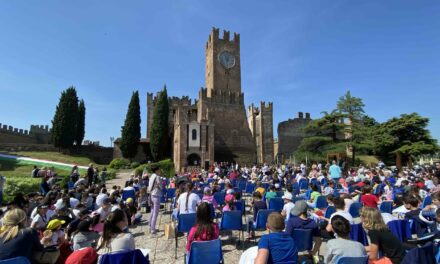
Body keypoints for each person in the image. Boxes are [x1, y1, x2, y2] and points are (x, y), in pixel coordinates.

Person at [148, 166, 163, 234]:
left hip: (151, 194)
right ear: (156, 170)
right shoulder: (157, 177)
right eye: (159, 170)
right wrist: (160, 185)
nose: (159, 171)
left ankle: (150, 226)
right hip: (156, 195)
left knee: (152, 210)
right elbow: (161, 187)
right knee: (155, 213)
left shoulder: (151, 176)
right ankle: (153, 229)